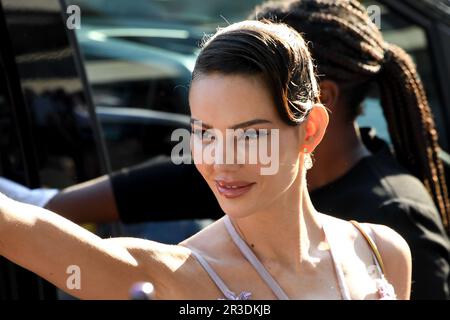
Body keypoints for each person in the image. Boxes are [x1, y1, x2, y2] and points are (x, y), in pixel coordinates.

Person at [9, 0, 443, 300]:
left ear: (310, 129)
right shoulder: (182, 277)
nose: (220, 160)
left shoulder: (383, 252)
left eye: (250, 134)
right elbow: (29, 230)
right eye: (204, 133)